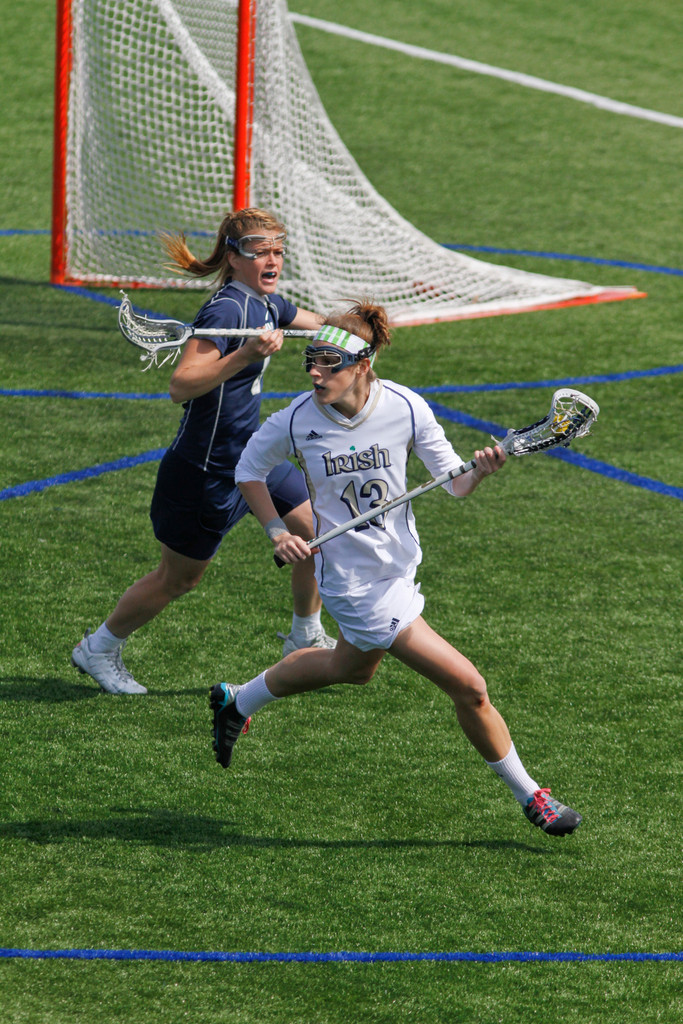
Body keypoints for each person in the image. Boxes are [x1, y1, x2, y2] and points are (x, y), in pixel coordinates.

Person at [209, 300, 582, 837]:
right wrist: (278, 530)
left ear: (363, 364)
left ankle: (236, 701)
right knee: (470, 686)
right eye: (310, 360)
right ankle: (534, 796)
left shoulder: (406, 407)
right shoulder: (294, 420)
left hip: (400, 566)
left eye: (328, 363)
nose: (315, 371)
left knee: (351, 668)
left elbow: (453, 481)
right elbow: (249, 469)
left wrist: (481, 471)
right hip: (354, 585)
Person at [72, 208, 335, 695]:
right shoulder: (228, 310)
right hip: (205, 470)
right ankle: (99, 648)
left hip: (255, 459)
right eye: (262, 253)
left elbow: (320, 325)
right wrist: (244, 355)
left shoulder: (267, 301)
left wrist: (356, 329)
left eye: (279, 251)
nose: (273, 260)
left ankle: (304, 636)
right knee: (178, 579)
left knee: (316, 534)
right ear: (234, 260)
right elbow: (181, 384)